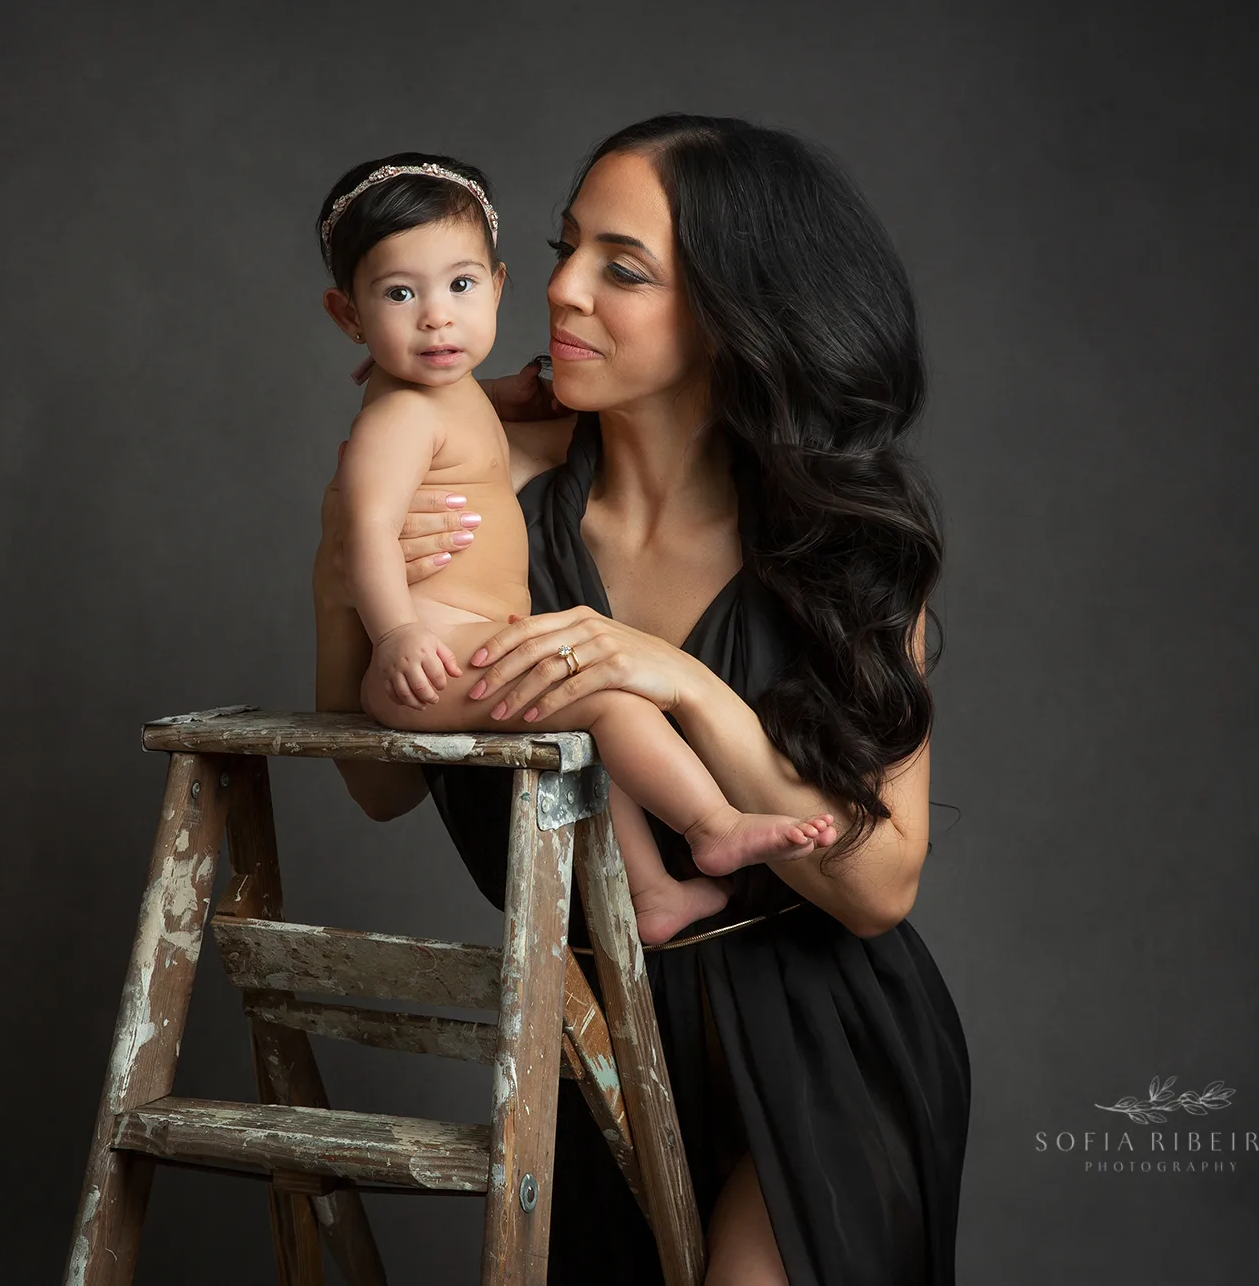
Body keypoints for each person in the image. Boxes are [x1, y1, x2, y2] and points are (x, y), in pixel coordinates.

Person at [314, 114, 970, 1284]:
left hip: (824, 1045)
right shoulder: (486, 486)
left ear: (730, 310)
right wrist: (339, 581)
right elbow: (373, 782)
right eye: (563, 248)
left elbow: (876, 887)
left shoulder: (839, 548)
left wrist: (675, 680)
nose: (560, 289)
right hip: (590, 1041)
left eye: (620, 268)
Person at [315, 150, 838, 945]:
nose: (436, 318)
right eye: (399, 294)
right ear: (349, 315)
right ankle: (709, 827)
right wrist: (383, 625)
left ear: (494, 287)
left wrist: (497, 396)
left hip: (471, 645)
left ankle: (656, 888)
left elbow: (448, 417)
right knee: (606, 697)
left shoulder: (454, 404)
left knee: (593, 725)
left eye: (459, 286)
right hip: (440, 651)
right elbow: (368, 529)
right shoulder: (401, 423)